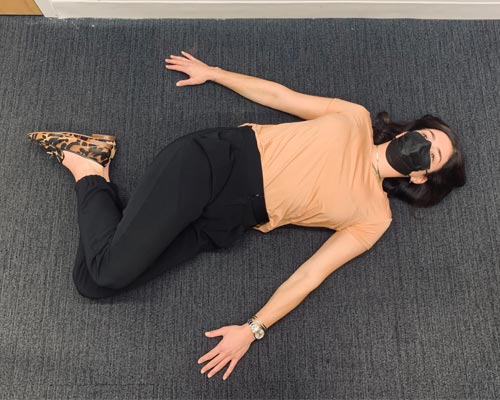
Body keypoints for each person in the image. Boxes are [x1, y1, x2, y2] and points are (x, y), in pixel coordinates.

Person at [27, 50, 466, 381]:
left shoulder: (375, 217)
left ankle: (97, 169)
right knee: (108, 272)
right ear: (409, 130)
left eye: (433, 153)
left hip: (224, 224)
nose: (422, 145)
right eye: (425, 135)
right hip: (213, 163)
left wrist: (252, 329)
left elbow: (311, 274)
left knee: (93, 283)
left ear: (424, 175)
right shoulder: (353, 118)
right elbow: (281, 96)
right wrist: (215, 73)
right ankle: (87, 167)